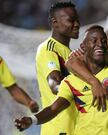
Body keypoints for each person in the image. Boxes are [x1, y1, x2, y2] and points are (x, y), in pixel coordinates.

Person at [15, 25, 108, 135]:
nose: (100, 44)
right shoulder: (71, 81)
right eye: (94, 40)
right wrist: (32, 120)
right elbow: (54, 108)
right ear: (83, 47)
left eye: (103, 41)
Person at [35, 2, 80, 135]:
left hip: (73, 127)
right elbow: (55, 87)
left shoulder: (68, 52)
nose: (77, 24)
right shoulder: (48, 50)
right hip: (59, 128)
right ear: (55, 23)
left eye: (77, 20)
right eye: (71, 20)